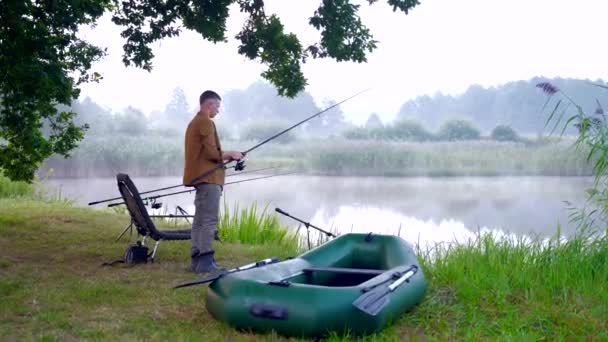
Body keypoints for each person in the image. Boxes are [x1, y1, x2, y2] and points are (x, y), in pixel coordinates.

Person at [183, 90, 243, 273]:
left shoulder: (194, 122)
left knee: (199, 220)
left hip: (201, 178)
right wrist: (231, 154)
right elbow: (211, 154)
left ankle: (197, 261)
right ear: (209, 105)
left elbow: (207, 153)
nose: (218, 110)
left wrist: (226, 156)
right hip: (209, 179)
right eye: (217, 106)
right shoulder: (206, 122)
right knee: (209, 220)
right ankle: (206, 262)